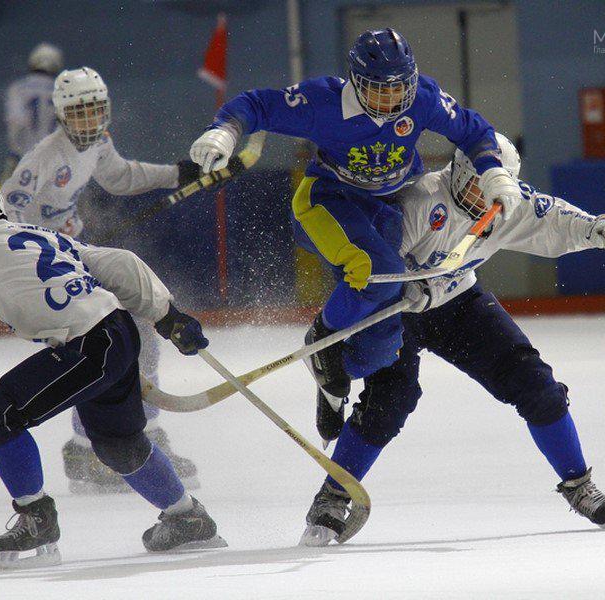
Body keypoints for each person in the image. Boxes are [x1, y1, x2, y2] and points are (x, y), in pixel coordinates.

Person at [299, 134, 605, 546]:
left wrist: (592, 227)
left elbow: (551, 219)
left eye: (495, 188)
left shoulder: (506, 203)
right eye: (477, 183)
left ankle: (579, 484)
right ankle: (332, 493)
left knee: (534, 383)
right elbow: (370, 267)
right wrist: (403, 290)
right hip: (396, 312)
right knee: (391, 401)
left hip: (458, 302)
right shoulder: (418, 202)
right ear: (457, 173)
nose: (485, 199)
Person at [188, 29, 522, 419]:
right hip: (331, 201)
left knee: (384, 343)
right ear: (356, 82)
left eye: (402, 89)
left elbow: (474, 130)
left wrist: (492, 173)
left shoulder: (424, 98)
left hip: (386, 208)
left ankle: (334, 377)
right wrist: (224, 132)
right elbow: (258, 104)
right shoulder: (323, 102)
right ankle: (323, 338)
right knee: (378, 270)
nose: (394, 100)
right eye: (381, 90)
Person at [0, 177, 225, 569]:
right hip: (117, 333)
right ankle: (187, 517)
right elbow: (121, 263)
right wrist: (168, 315)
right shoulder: (34, 231)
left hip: (88, 345)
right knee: (117, 444)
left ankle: (36, 516)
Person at [1, 66, 203, 494]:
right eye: (79, 112)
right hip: (50, 265)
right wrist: (34, 252)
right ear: (62, 114)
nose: (89, 120)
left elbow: (121, 177)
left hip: (75, 250)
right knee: (101, 343)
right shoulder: (44, 157)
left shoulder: (98, 144)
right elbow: (7, 210)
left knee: (136, 333)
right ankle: (96, 443)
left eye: (95, 110)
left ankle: (127, 432)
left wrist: (178, 174)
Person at [3, 43, 64, 178]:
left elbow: (16, 120)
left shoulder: (18, 88)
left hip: (22, 159)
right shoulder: (63, 91)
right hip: (54, 161)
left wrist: (16, 151)